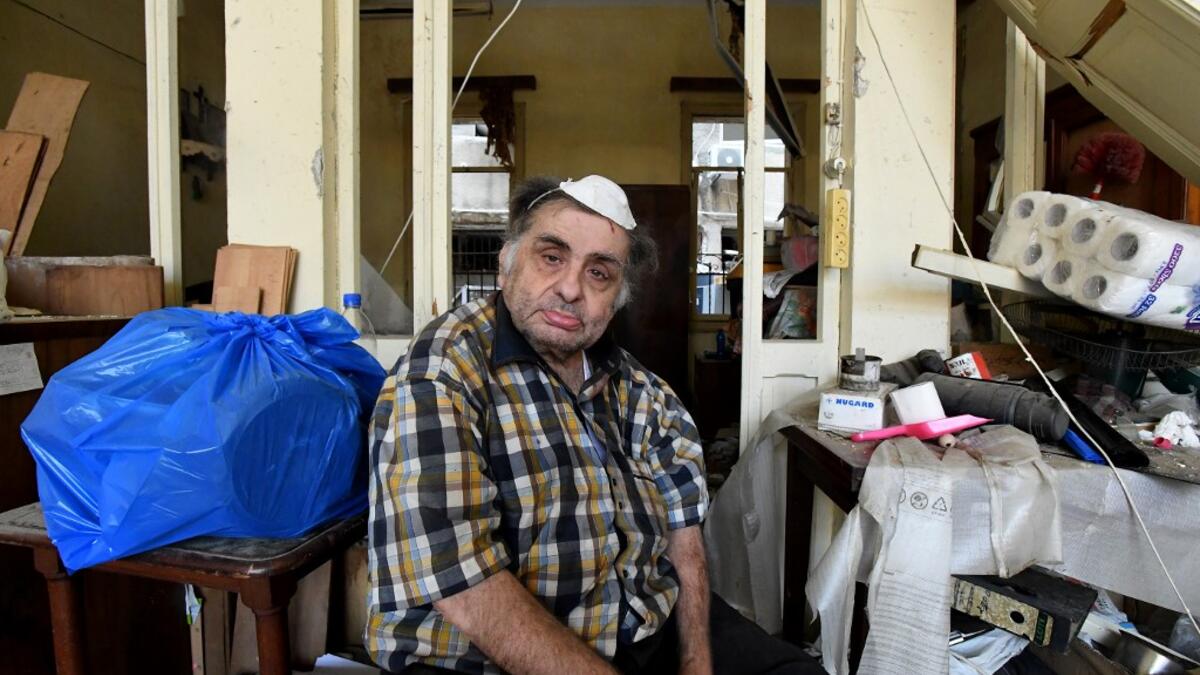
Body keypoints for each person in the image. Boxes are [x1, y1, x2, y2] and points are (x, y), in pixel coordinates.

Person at [367, 175, 822, 675]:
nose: (570, 288)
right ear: (506, 263)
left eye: (599, 273)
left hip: (644, 626)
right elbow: (466, 588)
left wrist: (696, 664)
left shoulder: (646, 393)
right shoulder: (442, 374)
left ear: (616, 298)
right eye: (551, 257)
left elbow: (683, 543)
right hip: (480, 655)